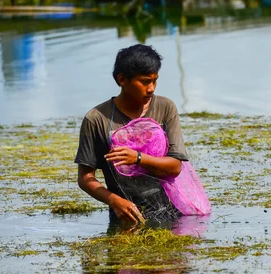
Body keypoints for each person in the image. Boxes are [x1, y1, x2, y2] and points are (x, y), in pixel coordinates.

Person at [75, 44, 188, 225]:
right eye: (144, 82)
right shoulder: (96, 119)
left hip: (171, 214)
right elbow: (85, 178)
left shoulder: (165, 108)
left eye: (155, 80)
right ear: (122, 80)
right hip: (125, 219)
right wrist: (114, 200)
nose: (151, 88)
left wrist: (138, 158)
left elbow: (175, 167)